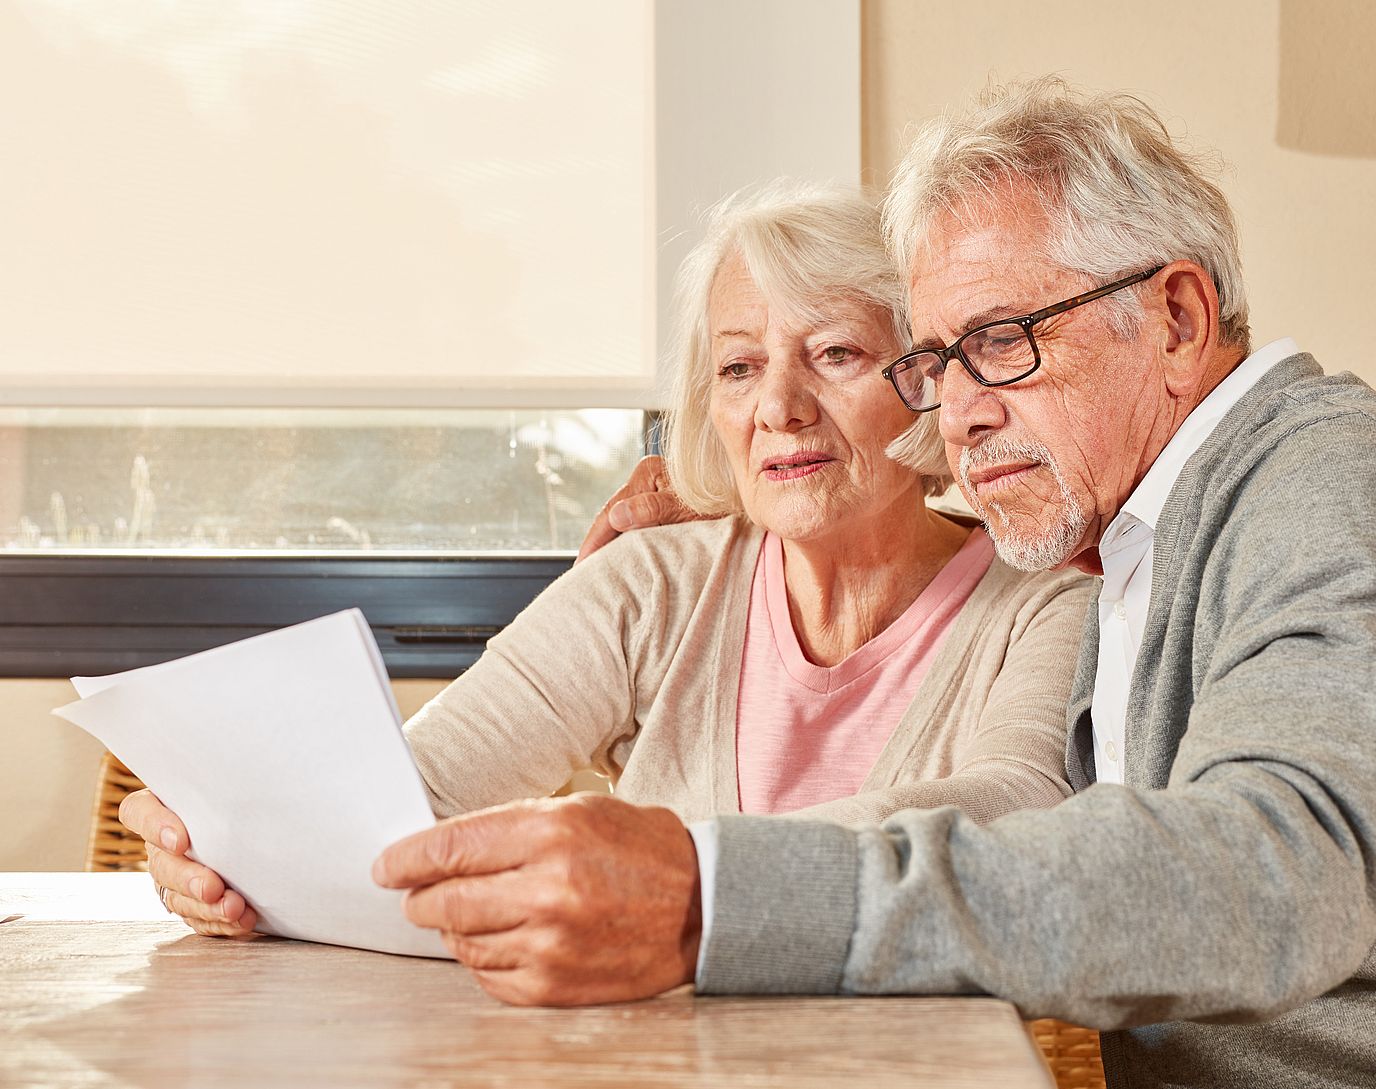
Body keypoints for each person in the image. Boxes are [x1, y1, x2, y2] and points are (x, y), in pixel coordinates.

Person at [364, 78, 1376, 1083]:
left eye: (1004, 343)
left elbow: (1273, 880)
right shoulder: (1130, 536)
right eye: (937, 363)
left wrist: (716, 894)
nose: (958, 413)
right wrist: (762, 477)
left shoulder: (1340, 487)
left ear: (1175, 319)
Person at [118, 183, 1094, 958]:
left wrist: (675, 867)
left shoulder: (1043, 601)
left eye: (834, 353)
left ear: (923, 380)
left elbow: (1015, 808)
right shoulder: (650, 584)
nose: (779, 407)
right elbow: (406, 807)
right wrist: (223, 838)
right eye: (739, 367)